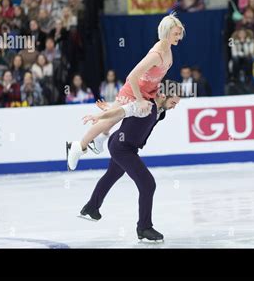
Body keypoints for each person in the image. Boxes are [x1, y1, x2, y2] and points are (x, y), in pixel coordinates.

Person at [67, 13, 184, 171]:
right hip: (133, 91)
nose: (179, 36)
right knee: (109, 120)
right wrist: (140, 100)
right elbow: (132, 76)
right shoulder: (156, 55)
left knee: (115, 117)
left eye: (180, 33)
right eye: (176, 33)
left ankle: (100, 139)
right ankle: (78, 146)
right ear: (166, 32)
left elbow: (155, 77)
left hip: (147, 92)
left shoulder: (168, 51)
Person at [76, 81, 181, 242]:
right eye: (173, 102)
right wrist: (100, 115)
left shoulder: (160, 110)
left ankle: (91, 207)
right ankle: (144, 227)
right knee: (148, 184)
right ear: (163, 95)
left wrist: (109, 109)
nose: (174, 107)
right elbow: (122, 112)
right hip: (122, 148)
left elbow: (122, 110)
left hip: (122, 144)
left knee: (111, 176)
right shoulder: (144, 106)